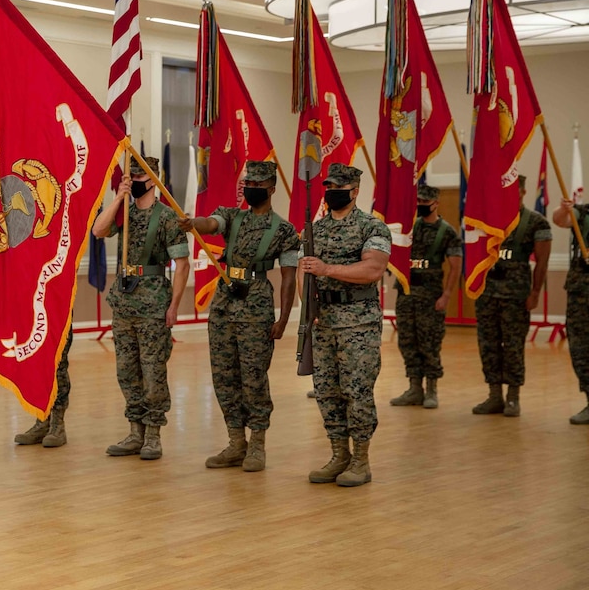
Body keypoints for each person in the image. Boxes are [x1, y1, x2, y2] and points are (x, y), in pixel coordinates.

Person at [179, 161, 299, 472]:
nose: (250, 190)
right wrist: (194, 223)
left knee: (254, 376)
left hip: (256, 306)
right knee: (223, 376)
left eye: (257, 185)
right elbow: (211, 223)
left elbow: (288, 277)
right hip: (224, 305)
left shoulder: (284, 230)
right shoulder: (233, 216)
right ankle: (236, 442)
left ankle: (257, 443)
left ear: (271, 189)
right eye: (247, 184)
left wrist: (284, 319)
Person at [92, 155, 190, 461]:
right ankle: (134, 432)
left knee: (153, 372)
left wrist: (174, 306)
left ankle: (152, 435)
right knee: (127, 371)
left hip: (153, 305)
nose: (133, 182)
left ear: (153, 180)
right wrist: (119, 197)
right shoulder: (124, 213)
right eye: (130, 177)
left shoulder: (167, 218)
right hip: (123, 303)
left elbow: (183, 264)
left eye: (138, 178)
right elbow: (97, 230)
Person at [298, 163, 391, 487]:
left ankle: (361, 460)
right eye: (329, 186)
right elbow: (303, 271)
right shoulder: (315, 229)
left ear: (354, 191)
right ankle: (339, 455)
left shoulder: (372, 227)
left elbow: (372, 270)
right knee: (327, 392)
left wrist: (327, 269)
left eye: (339, 187)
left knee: (357, 392)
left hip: (358, 323)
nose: (332, 192)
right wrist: (308, 305)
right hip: (323, 322)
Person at [472, 175, 551, 418]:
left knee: (514, 346)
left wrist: (535, 292)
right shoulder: (487, 220)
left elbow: (542, 262)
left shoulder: (536, 222)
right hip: (487, 294)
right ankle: (494, 395)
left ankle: (513, 397)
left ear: (523, 192)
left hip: (516, 295)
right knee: (488, 345)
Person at [389, 184, 463, 409]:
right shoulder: (410, 229)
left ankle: (431, 390)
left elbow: (455, 266)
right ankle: (414, 388)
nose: (420, 206)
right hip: (407, 295)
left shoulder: (447, 232)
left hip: (430, 297)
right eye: (418, 202)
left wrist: (447, 295)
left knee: (429, 343)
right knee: (407, 342)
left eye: (424, 203)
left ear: (435, 203)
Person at [550, 197, 589, 424]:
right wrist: (564, 208)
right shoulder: (583, 213)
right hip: (580, 293)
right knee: (581, 350)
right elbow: (560, 220)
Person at [13, 327, 73, 447]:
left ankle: (58, 425)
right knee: (38, 365)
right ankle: (42, 422)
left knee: (57, 366)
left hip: (58, 314)